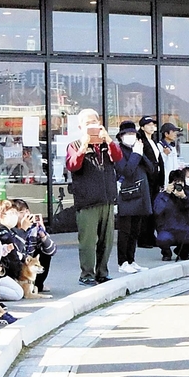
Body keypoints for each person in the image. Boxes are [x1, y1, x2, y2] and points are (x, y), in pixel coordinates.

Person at [66, 109, 121, 286]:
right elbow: (73, 165)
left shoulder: (106, 145)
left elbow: (118, 157)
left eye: (94, 122)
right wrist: (84, 146)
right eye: (87, 123)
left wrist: (108, 139)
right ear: (80, 127)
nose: (92, 126)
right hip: (87, 201)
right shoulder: (74, 145)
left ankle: (102, 272)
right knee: (88, 242)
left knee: (107, 240)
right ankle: (87, 274)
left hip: (107, 200)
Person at [114, 121, 153, 274]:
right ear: (121, 136)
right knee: (125, 230)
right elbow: (126, 171)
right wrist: (136, 154)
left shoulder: (138, 149)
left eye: (133, 134)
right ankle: (122, 262)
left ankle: (131, 259)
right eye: (127, 134)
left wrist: (141, 153)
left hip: (140, 195)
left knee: (135, 230)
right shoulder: (118, 151)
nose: (130, 137)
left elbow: (151, 169)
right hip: (127, 195)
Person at [10, 198, 56, 292]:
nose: (26, 215)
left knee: (45, 253)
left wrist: (43, 234)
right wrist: (23, 230)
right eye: (21, 212)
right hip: (19, 266)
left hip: (30, 264)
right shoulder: (10, 228)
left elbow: (52, 250)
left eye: (27, 211)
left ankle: (38, 285)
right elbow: (15, 251)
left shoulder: (34, 228)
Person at [136, 116, 164, 248]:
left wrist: (162, 179)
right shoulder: (140, 141)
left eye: (153, 124)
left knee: (153, 208)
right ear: (142, 127)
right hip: (147, 179)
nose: (152, 126)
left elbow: (159, 160)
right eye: (148, 124)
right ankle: (143, 238)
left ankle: (151, 236)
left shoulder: (153, 141)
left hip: (155, 180)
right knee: (145, 209)